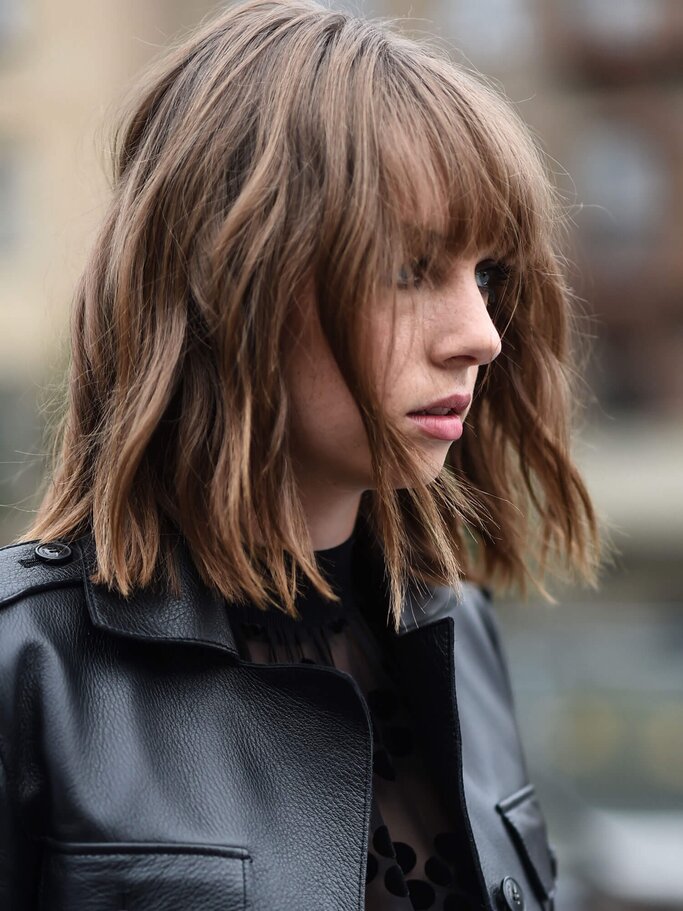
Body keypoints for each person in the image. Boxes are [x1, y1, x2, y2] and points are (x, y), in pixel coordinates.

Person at [0, 0, 601, 908]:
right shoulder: (27, 667)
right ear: (233, 275)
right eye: (410, 268)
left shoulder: (455, 631)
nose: (480, 334)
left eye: (484, 275)